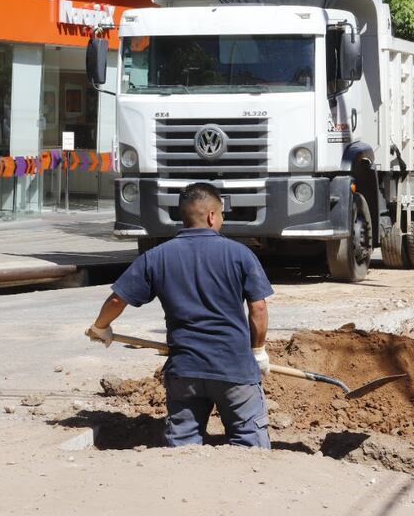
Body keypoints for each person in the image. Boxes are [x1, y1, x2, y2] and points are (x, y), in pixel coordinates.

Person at [86, 182, 273, 449]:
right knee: (250, 445)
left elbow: (118, 298)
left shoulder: (157, 257)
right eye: (221, 214)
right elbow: (258, 308)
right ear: (211, 216)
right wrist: (258, 352)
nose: (221, 220)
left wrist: (101, 327)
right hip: (234, 368)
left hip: (185, 371)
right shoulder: (240, 254)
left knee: (183, 447)